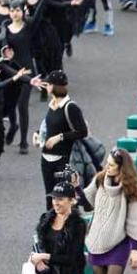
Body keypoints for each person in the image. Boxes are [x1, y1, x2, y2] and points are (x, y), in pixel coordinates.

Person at [34, 70, 88, 208]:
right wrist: (37, 134)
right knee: (50, 198)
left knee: (64, 200)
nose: (46, 87)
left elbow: (82, 132)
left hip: (63, 160)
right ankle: (51, 227)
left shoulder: (70, 107)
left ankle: (70, 227)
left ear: (54, 87)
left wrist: (60, 137)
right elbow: (49, 125)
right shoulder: (52, 104)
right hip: (46, 159)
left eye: (48, 84)